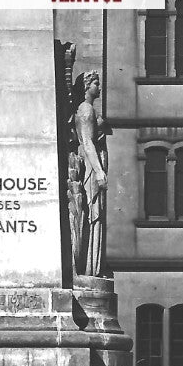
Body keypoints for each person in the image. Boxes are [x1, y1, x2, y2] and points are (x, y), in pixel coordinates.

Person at [74, 71, 107, 277]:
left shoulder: (87, 108)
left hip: (92, 163)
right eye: (96, 83)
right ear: (86, 86)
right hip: (90, 165)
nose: (99, 88)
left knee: (95, 213)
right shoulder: (86, 110)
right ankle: (90, 268)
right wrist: (99, 171)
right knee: (92, 213)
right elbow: (87, 143)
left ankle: (92, 267)